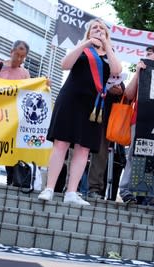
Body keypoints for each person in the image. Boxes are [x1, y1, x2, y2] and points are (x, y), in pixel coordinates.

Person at [38, 19, 122, 205]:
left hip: (94, 105)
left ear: (107, 35)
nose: (98, 30)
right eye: (94, 28)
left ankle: (71, 192)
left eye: (102, 28)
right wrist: (86, 42)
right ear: (88, 32)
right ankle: (49, 188)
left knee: (83, 149)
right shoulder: (83, 49)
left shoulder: (110, 53)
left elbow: (117, 71)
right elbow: (64, 65)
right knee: (61, 144)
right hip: (70, 100)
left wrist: (106, 45)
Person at [118, 45, 154, 203]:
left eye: (151, 54)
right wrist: (138, 72)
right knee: (135, 154)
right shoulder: (143, 72)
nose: (147, 56)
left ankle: (153, 195)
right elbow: (129, 94)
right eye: (146, 53)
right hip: (139, 120)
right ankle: (127, 191)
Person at [0, 40, 32, 184]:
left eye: (23, 57)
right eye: (17, 55)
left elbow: (29, 94)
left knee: (10, 146)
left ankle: (12, 178)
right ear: (12, 52)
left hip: (13, 117)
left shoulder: (25, 74)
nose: (19, 59)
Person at [87, 81, 125, 200]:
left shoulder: (115, 75)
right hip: (84, 112)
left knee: (100, 155)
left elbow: (122, 91)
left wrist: (118, 89)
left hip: (104, 119)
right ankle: (70, 187)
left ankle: (95, 188)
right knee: (76, 152)